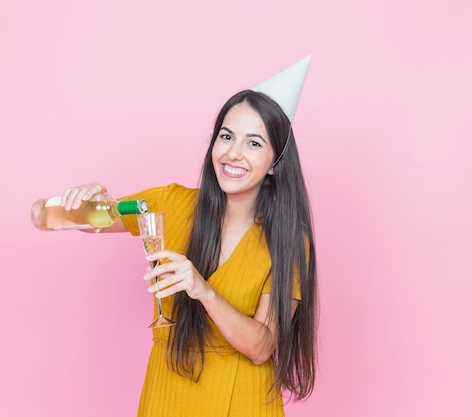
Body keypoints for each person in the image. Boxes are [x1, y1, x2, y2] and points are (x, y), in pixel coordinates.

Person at [60, 59, 318, 416]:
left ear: (275, 162)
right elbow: (95, 221)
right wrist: (84, 205)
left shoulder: (289, 241)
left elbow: (262, 345)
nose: (232, 153)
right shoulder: (169, 203)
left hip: (241, 399)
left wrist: (204, 290)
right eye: (226, 136)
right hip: (169, 393)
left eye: (253, 143)